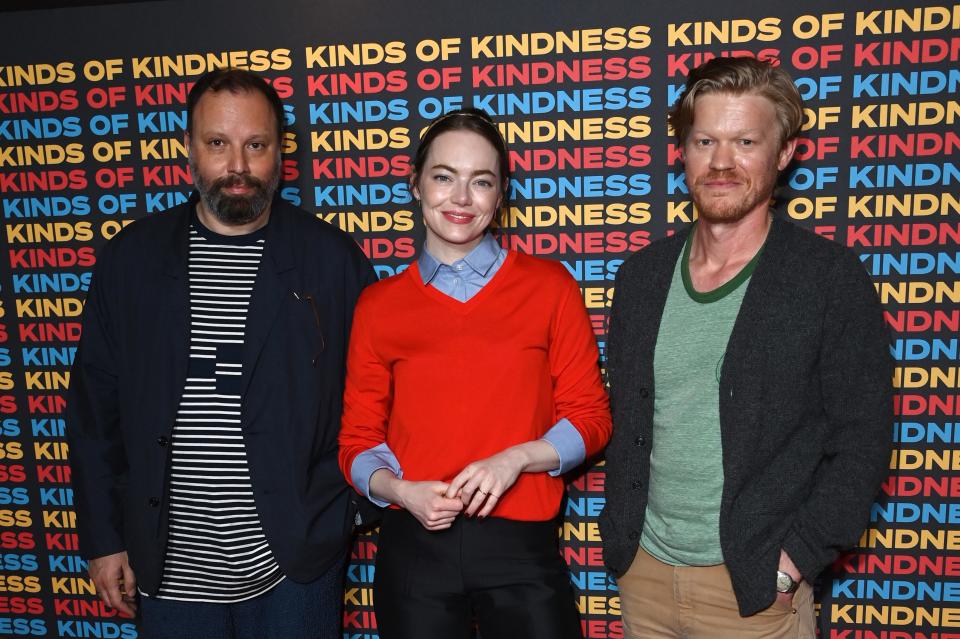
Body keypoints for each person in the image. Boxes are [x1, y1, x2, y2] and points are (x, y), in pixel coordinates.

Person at [67, 68, 375, 639]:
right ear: (188, 149)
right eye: (218, 144)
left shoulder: (332, 261)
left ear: (280, 150)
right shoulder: (130, 261)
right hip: (169, 569)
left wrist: (338, 514)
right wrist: (105, 539)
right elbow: (94, 413)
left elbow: (374, 400)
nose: (238, 166)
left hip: (294, 568)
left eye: (255, 145)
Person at [600, 57, 892, 639]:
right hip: (644, 578)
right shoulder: (641, 277)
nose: (722, 162)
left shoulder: (827, 279)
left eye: (745, 141)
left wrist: (793, 563)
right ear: (682, 150)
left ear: (784, 154)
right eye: (705, 140)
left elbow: (863, 437)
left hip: (753, 591)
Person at [338, 108, 612, 639]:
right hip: (414, 548)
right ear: (416, 184)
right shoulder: (378, 305)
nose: (461, 198)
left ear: (501, 193)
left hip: (523, 549)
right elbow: (356, 439)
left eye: (480, 181)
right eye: (444, 177)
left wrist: (517, 458)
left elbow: (591, 418)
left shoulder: (549, 287)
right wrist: (399, 490)